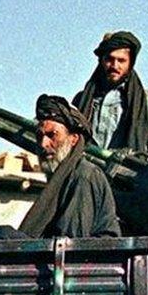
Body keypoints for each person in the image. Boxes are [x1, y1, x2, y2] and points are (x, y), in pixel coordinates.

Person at [14, 95, 121, 239]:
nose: (43, 144)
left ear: (73, 139)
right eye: (39, 136)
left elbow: (70, 243)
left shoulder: (83, 175)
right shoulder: (62, 178)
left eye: (52, 135)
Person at [72, 31, 148, 152]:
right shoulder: (83, 99)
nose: (115, 65)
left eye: (121, 60)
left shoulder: (143, 101)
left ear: (130, 64)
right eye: (109, 59)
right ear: (101, 61)